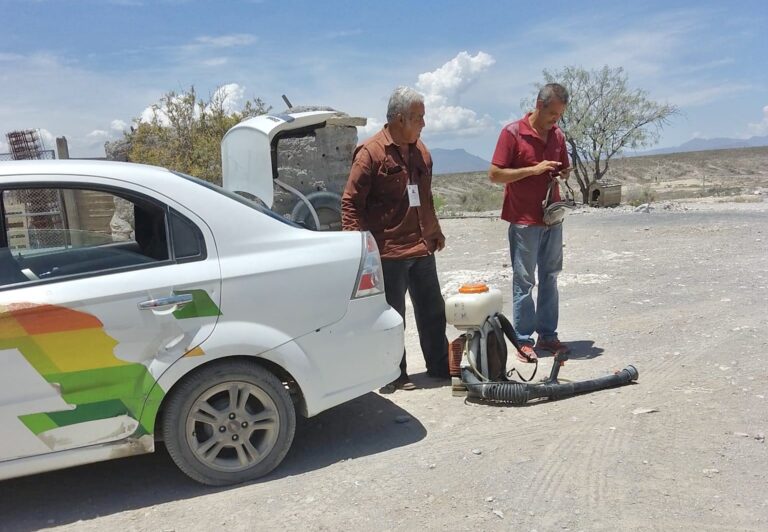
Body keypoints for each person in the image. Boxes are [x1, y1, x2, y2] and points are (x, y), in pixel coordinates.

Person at [342, 86, 449, 390]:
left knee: (433, 311)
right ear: (400, 119)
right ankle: (392, 373)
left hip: (421, 246)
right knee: (391, 318)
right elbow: (350, 203)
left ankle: (439, 366)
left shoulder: (421, 150)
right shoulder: (371, 153)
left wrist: (435, 230)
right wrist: (358, 249)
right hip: (387, 252)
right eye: (418, 118)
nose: (423, 124)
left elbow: (424, 197)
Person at [488, 83, 572, 362]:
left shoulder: (557, 135)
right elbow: (495, 174)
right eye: (552, 114)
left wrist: (562, 173)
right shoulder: (512, 133)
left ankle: (548, 335)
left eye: (559, 115)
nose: (555, 121)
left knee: (550, 276)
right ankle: (523, 339)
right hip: (524, 221)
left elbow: (565, 170)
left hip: (552, 218)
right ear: (539, 104)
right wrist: (533, 170)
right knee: (524, 281)